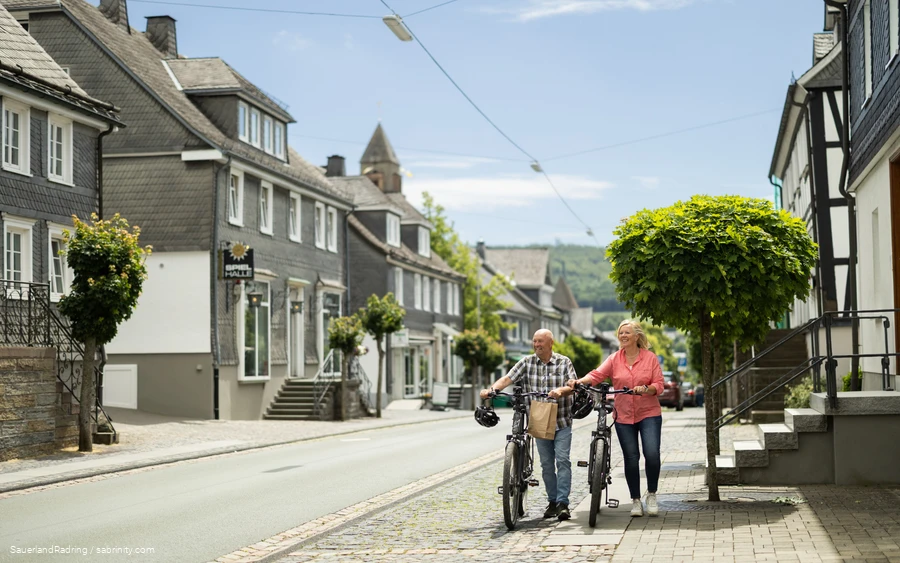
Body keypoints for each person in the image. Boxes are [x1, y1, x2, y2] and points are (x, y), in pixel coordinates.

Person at [568, 319, 664, 518]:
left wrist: (646, 389)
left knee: (652, 454)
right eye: (620, 333)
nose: (623, 336)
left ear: (637, 336)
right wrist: (579, 381)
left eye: (627, 333)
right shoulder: (614, 359)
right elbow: (597, 375)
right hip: (624, 415)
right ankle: (636, 500)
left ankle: (652, 494)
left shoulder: (650, 358)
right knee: (631, 458)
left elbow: (659, 385)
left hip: (649, 414)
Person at [481, 329, 576, 521]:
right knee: (547, 464)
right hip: (540, 420)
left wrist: (560, 391)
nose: (537, 345)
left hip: (561, 420)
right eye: (535, 341)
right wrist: (492, 389)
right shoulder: (527, 362)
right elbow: (508, 378)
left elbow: (572, 385)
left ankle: (563, 503)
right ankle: (552, 502)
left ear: (551, 343)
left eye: (541, 341)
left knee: (563, 460)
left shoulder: (563, 362)